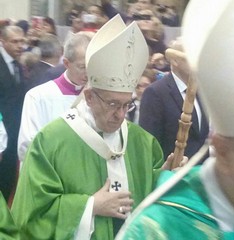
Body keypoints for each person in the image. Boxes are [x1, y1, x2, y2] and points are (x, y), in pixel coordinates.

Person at [12, 15, 185, 240]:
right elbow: (32, 214)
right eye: (113, 104)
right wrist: (89, 206)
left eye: (127, 105)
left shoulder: (141, 141)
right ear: (90, 97)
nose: (121, 115)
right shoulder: (51, 142)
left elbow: (143, 198)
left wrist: (162, 177)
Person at [117, 0, 234, 239]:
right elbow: (150, 142)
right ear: (222, 150)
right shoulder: (156, 229)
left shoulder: (204, 96)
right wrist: (163, 170)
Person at [17, 32, 92, 163]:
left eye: (92, 66)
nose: (88, 73)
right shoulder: (38, 96)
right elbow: (27, 145)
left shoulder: (97, 97)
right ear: (66, 63)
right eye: (82, 67)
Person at [139, 38, 209, 160]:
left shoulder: (202, 91)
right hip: (172, 173)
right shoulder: (156, 93)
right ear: (175, 60)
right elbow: (149, 143)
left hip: (200, 172)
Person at [0, 25, 25, 202]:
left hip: (15, 132)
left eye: (22, 41)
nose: (20, 45)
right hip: (2, 132)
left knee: (8, 177)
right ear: (3, 42)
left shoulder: (19, 65)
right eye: (14, 42)